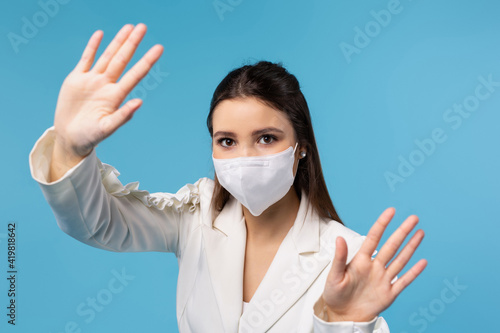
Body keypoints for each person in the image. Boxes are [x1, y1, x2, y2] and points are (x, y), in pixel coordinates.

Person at [28, 23, 427, 332]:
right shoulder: (195, 215)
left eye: (266, 138)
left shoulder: (349, 259)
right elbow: (96, 225)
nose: (245, 157)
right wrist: (68, 147)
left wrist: (338, 321)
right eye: (227, 141)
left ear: (301, 145)